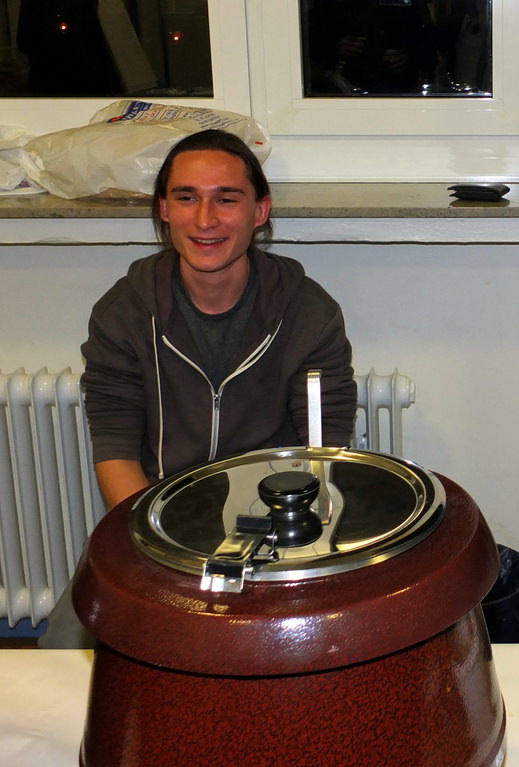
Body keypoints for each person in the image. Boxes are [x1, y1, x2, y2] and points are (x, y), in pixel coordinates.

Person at [39, 128, 357, 647]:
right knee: (65, 646)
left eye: (226, 199)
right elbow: (115, 449)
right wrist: (157, 547)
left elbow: (322, 453)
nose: (205, 220)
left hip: (270, 524)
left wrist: (277, 542)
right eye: (187, 198)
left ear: (259, 211)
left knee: (289, 649)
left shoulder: (309, 312)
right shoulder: (124, 313)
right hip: (157, 516)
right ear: (164, 210)